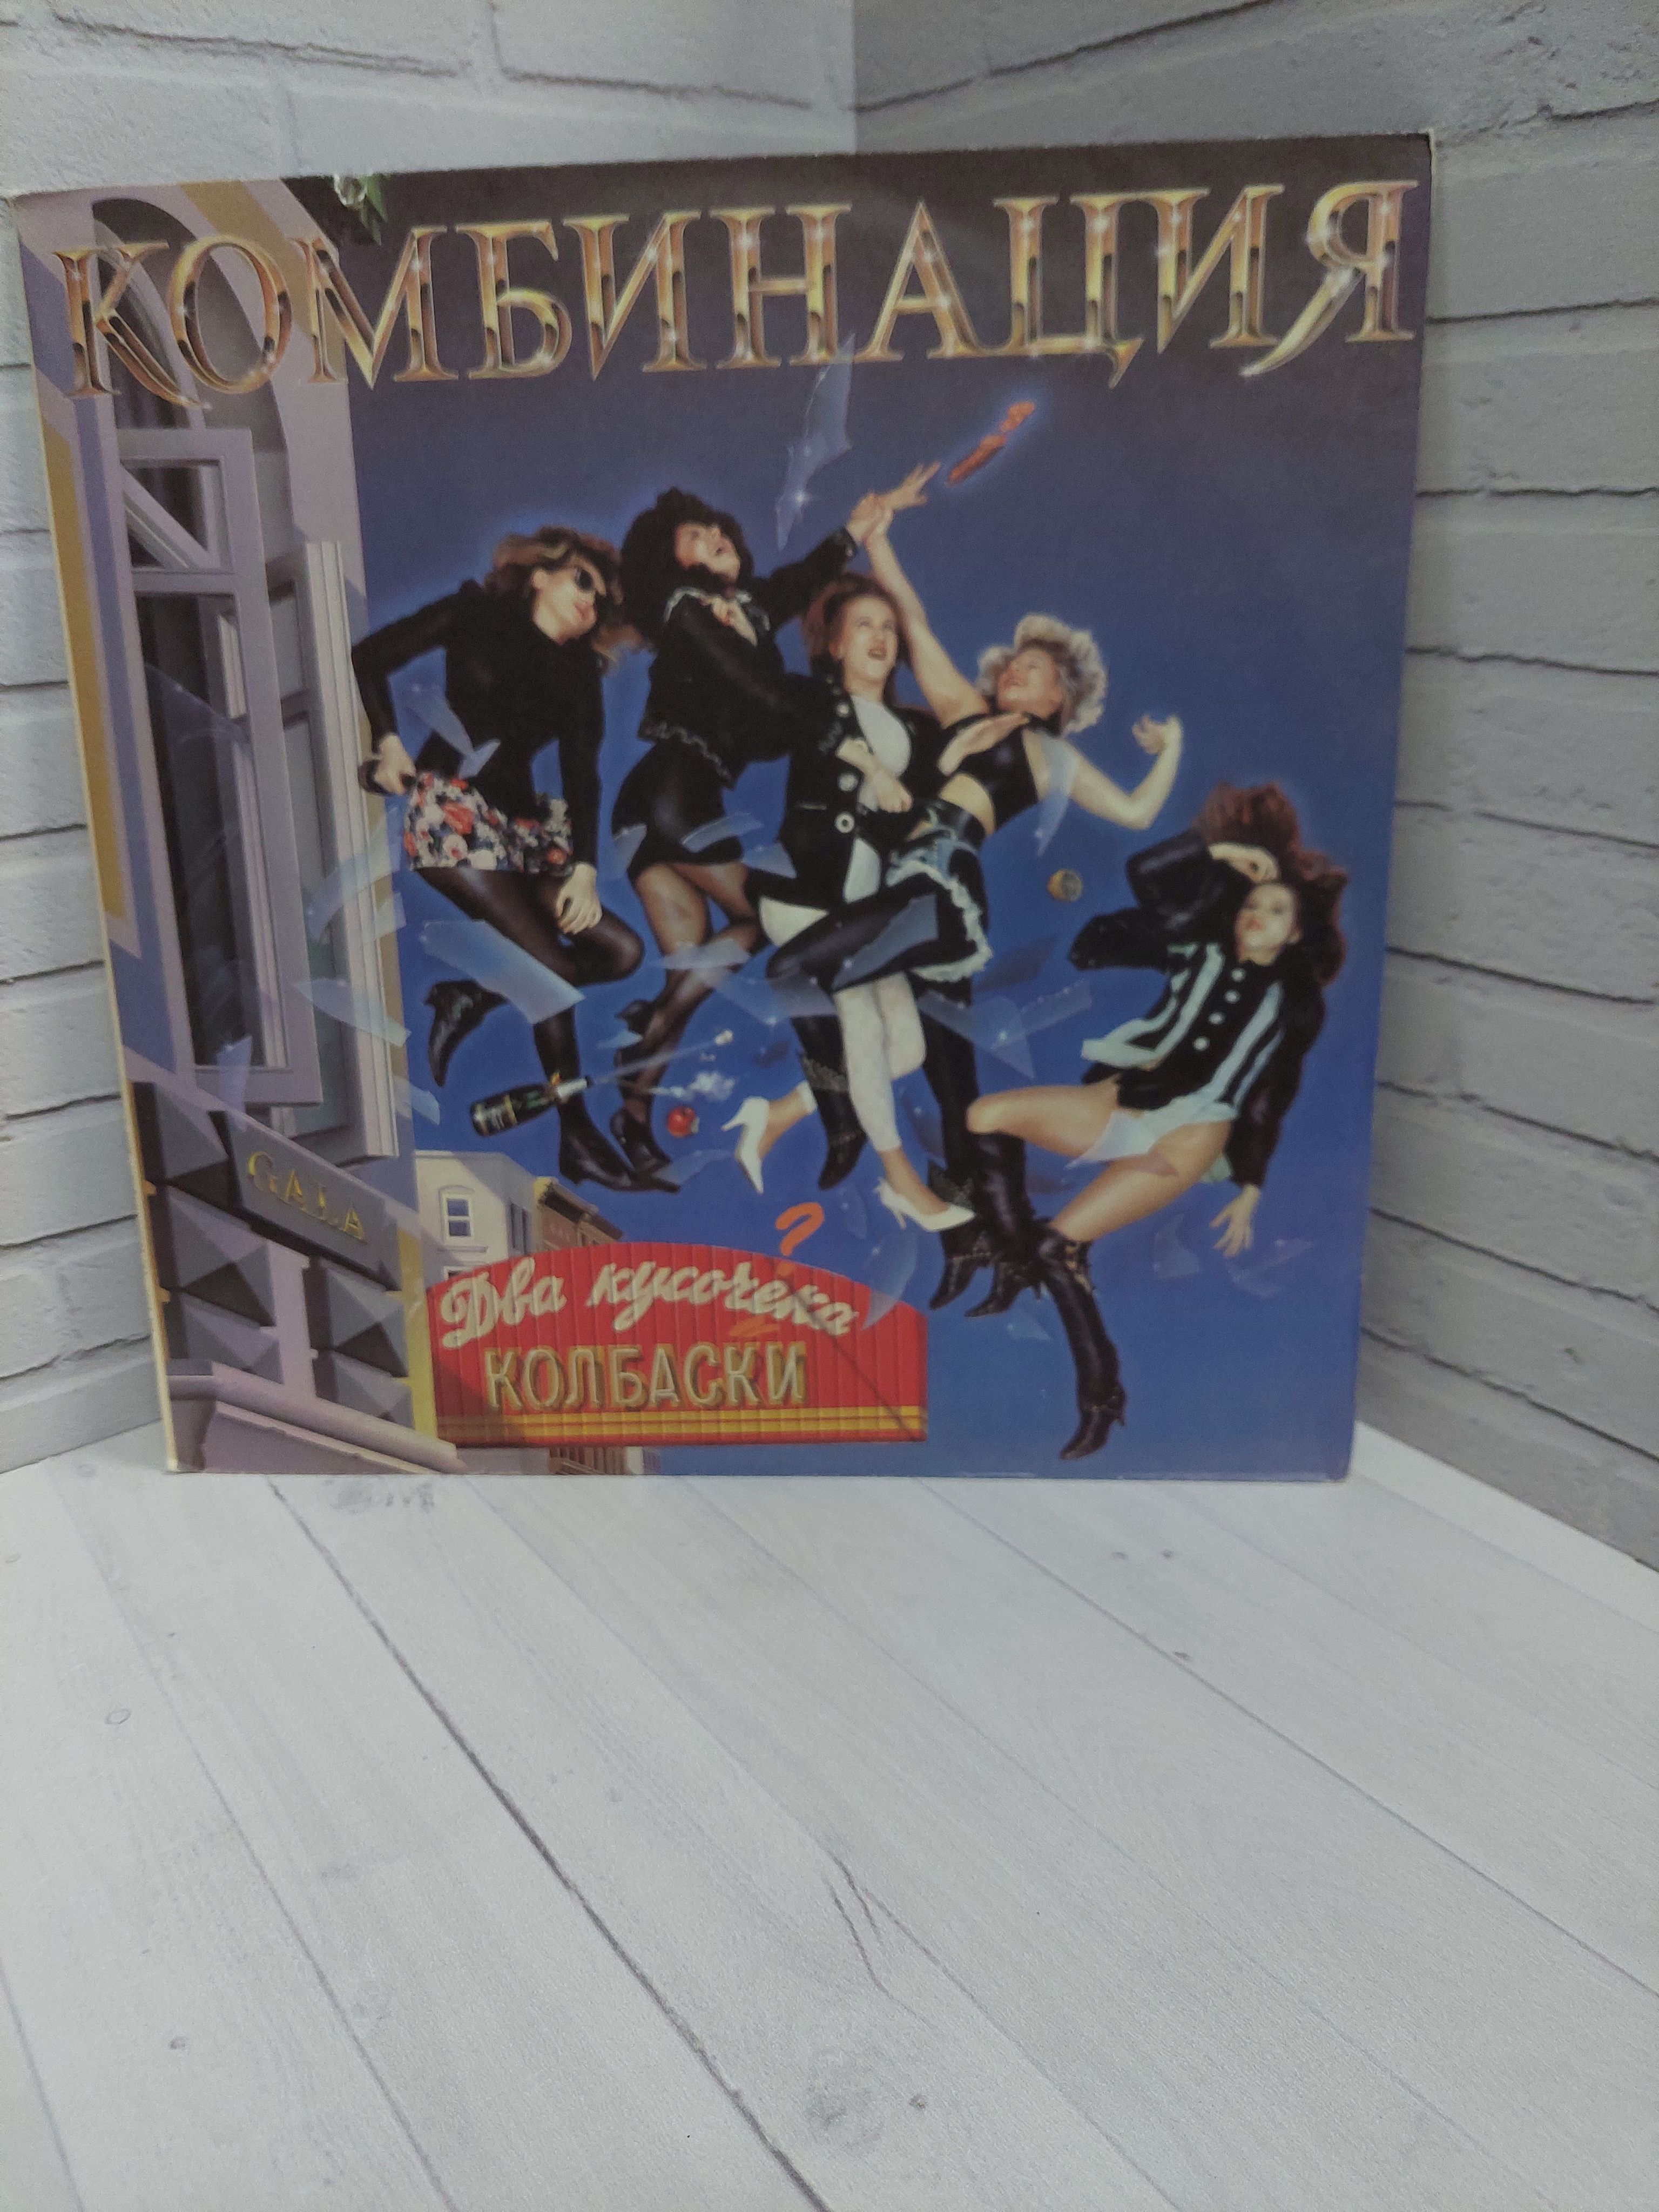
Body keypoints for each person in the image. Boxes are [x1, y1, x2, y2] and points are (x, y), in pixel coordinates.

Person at [766, 494, 1183, 1271]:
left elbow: (1135, 813)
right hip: (902, 889)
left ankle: (840, 1113)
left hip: (939, 892)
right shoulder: (961, 709)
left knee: (796, 968)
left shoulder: (1051, 754)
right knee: (953, 1082)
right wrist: (881, 541)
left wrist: (1173, 747)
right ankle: (984, 1241)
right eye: (1017, 661)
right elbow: (914, 621)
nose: (1020, 668)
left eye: (1039, 671)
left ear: (1058, 700)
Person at [966, 785, 1349, 1459]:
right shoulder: (1195, 948)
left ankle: (1102, 1394)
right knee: (985, 1116)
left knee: (1060, 1248)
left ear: (1296, 932)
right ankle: (1011, 1255)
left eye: (1276, 910)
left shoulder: (1295, 1003)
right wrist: (1223, 853)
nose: (1257, 914)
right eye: (1252, 904)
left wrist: (1250, 1185)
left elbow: (1272, 1093)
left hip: (1190, 1132)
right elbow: (1146, 875)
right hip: (1124, 1097)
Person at [606, 473, 930, 1179]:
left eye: (717, 528)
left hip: (661, 804)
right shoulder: (686, 610)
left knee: (690, 981)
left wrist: (864, 523)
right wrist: (855, 753)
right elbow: (755, 688)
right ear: (671, 562)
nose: (716, 536)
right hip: (673, 795)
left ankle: (633, 1114)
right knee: (766, 916)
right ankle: (657, 1045)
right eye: (695, 536)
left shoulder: (746, 608)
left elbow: (800, 579)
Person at [351, 526, 653, 1194]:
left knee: (622, 952)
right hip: (453, 812)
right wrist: (389, 741)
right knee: (550, 971)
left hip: (524, 831)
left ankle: (472, 994)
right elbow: (370, 656)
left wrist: (583, 869)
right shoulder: (474, 613)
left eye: (602, 602)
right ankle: (576, 1133)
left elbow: (582, 775)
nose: (591, 603)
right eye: (582, 581)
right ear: (541, 573)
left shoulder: (580, 674)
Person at [724, 571, 972, 1222]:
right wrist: (870, 769)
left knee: (908, 1049)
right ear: (834, 645)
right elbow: (786, 709)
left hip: (863, 910)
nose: (880, 637)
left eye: (888, 628)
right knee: (860, 1024)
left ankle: (779, 1113)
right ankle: (903, 1181)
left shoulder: (915, 731)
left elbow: (939, 795)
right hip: (804, 896)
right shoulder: (818, 702)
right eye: (864, 626)